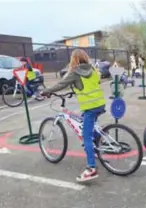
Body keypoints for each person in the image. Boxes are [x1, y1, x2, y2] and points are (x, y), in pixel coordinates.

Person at [41, 49, 106, 182]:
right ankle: (98, 140)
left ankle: (91, 168)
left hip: (90, 107)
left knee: (85, 136)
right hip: (100, 104)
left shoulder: (75, 72)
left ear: (74, 59)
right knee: (87, 123)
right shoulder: (93, 70)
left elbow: (61, 84)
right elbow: (94, 84)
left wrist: (46, 91)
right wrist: (77, 89)